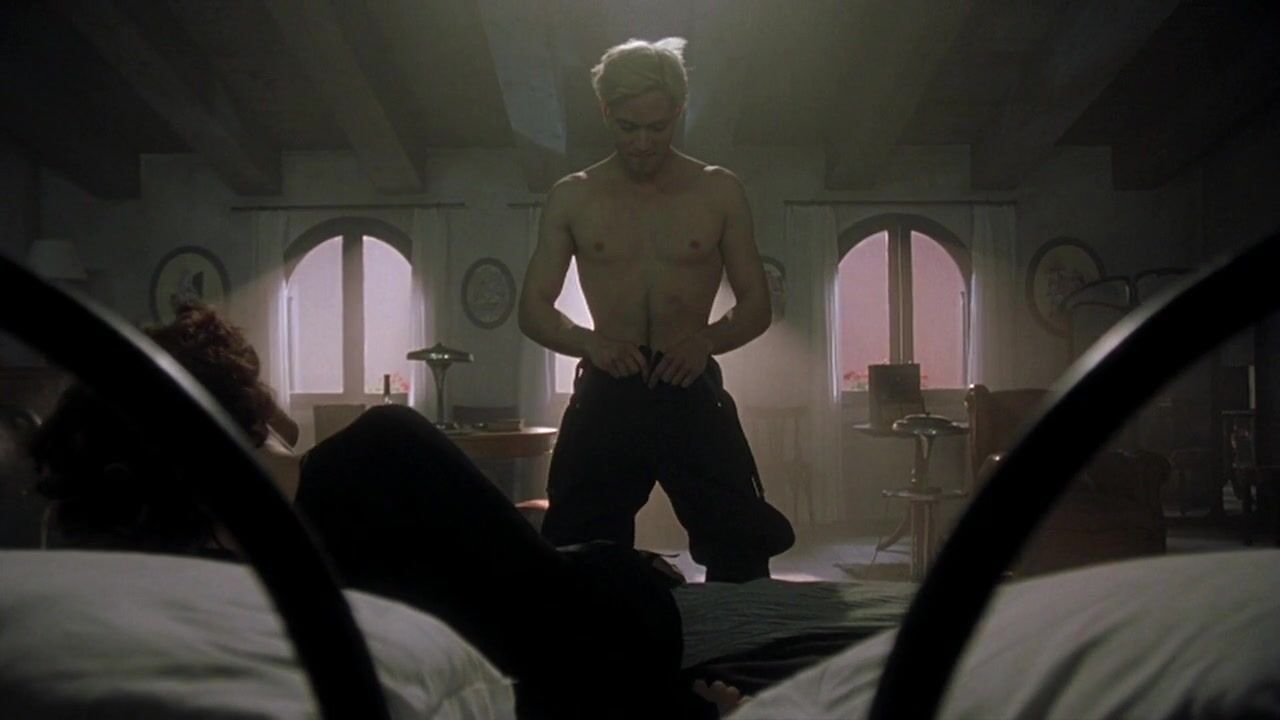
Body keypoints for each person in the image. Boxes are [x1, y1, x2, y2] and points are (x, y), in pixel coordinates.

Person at [29, 303, 733, 719]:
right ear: (249, 410)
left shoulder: (209, 570)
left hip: (582, 610)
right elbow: (554, 615)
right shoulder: (381, 444)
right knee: (573, 564)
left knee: (560, 558)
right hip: (607, 612)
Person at [518, 37, 794, 582]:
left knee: (740, 547)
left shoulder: (718, 190)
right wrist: (591, 343)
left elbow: (757, 305)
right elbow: (532, 309)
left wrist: (705, 341)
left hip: (688, 382)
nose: (643, 142)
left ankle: (735, 637)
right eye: (628, 127)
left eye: (657, 127)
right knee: (579, 549)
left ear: (678, 112)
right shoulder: (573, 196)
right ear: (606, 113)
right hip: (608, 386)